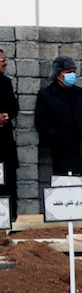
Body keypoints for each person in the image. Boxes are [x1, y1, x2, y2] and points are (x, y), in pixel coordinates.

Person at [34, 56, 82, 178]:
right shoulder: (47, 95)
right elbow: (41, 123)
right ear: (58, 75)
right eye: (68, 72)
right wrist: (59, 136)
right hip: (63, 152)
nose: (72, 75)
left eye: (74, 72)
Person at [0, 49, 18, 216]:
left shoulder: (5, 83)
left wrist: (6, 115)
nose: (5, 63)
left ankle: (10, 221)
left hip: (4, 147)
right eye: (1, 60)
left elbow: (14, 107)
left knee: (8, 185)